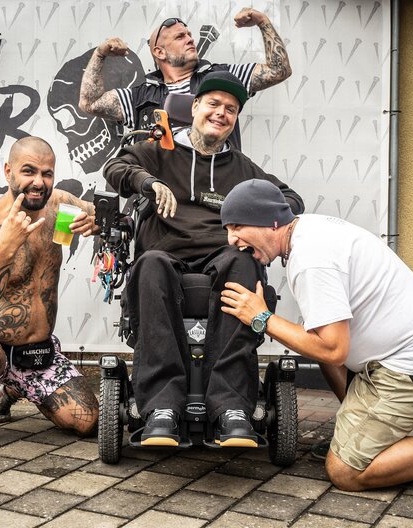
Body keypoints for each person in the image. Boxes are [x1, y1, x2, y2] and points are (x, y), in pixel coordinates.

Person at [218, 179, 413, 491]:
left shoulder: (311, 260)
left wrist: (262, 318)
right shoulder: (308, 228)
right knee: (315, 340)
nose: (231, 239)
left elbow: (334, 350)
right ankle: (362, 435)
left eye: (237, 226)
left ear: (270, 221)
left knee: (344, 471)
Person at [103, 71, 304, 447]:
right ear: (195, 106)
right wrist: (149, 182)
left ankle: (232, 408)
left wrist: (256, 211)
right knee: (150, 266)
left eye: (231, 109)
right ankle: (161, 408)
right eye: (214, 104)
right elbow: (114, 168)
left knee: (244, 263)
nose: (221, 113)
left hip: (223, 256)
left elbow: (291, 199)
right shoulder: (158, 151)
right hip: (164, 254)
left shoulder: (242, 168)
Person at [0, 136, 100, 448]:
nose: (39, 182)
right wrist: (4, 249)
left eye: (47, 173)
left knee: (87, 421)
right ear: (8, 171)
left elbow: (107, 214)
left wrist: (99, 222)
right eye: (29, 171)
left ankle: (12, 388)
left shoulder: (59, 207)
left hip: (35, 352)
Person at [79, 7, 291, 149]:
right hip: (160, 195)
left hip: (215, 189)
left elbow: (278, 70)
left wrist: (262, 21)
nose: (190, 40)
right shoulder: (139, 97)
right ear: (160, 52)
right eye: (180, 37)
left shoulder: (223, 78)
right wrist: (100, 54)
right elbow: (90, 103)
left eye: (189, 35)